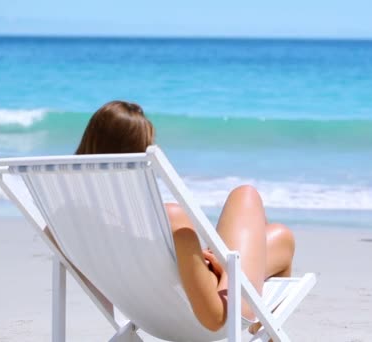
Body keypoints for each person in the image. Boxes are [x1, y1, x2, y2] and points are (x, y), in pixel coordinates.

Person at [74, 100, 296, 332]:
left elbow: (120, 277)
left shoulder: (69, 221)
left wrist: (194, 261)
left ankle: (267, 330)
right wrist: (221, 268)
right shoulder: (170, 220)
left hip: (150, 315)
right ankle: (267, 331)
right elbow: (214, 318)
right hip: (210, 315)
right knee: (251, 201)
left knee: (278, 234)